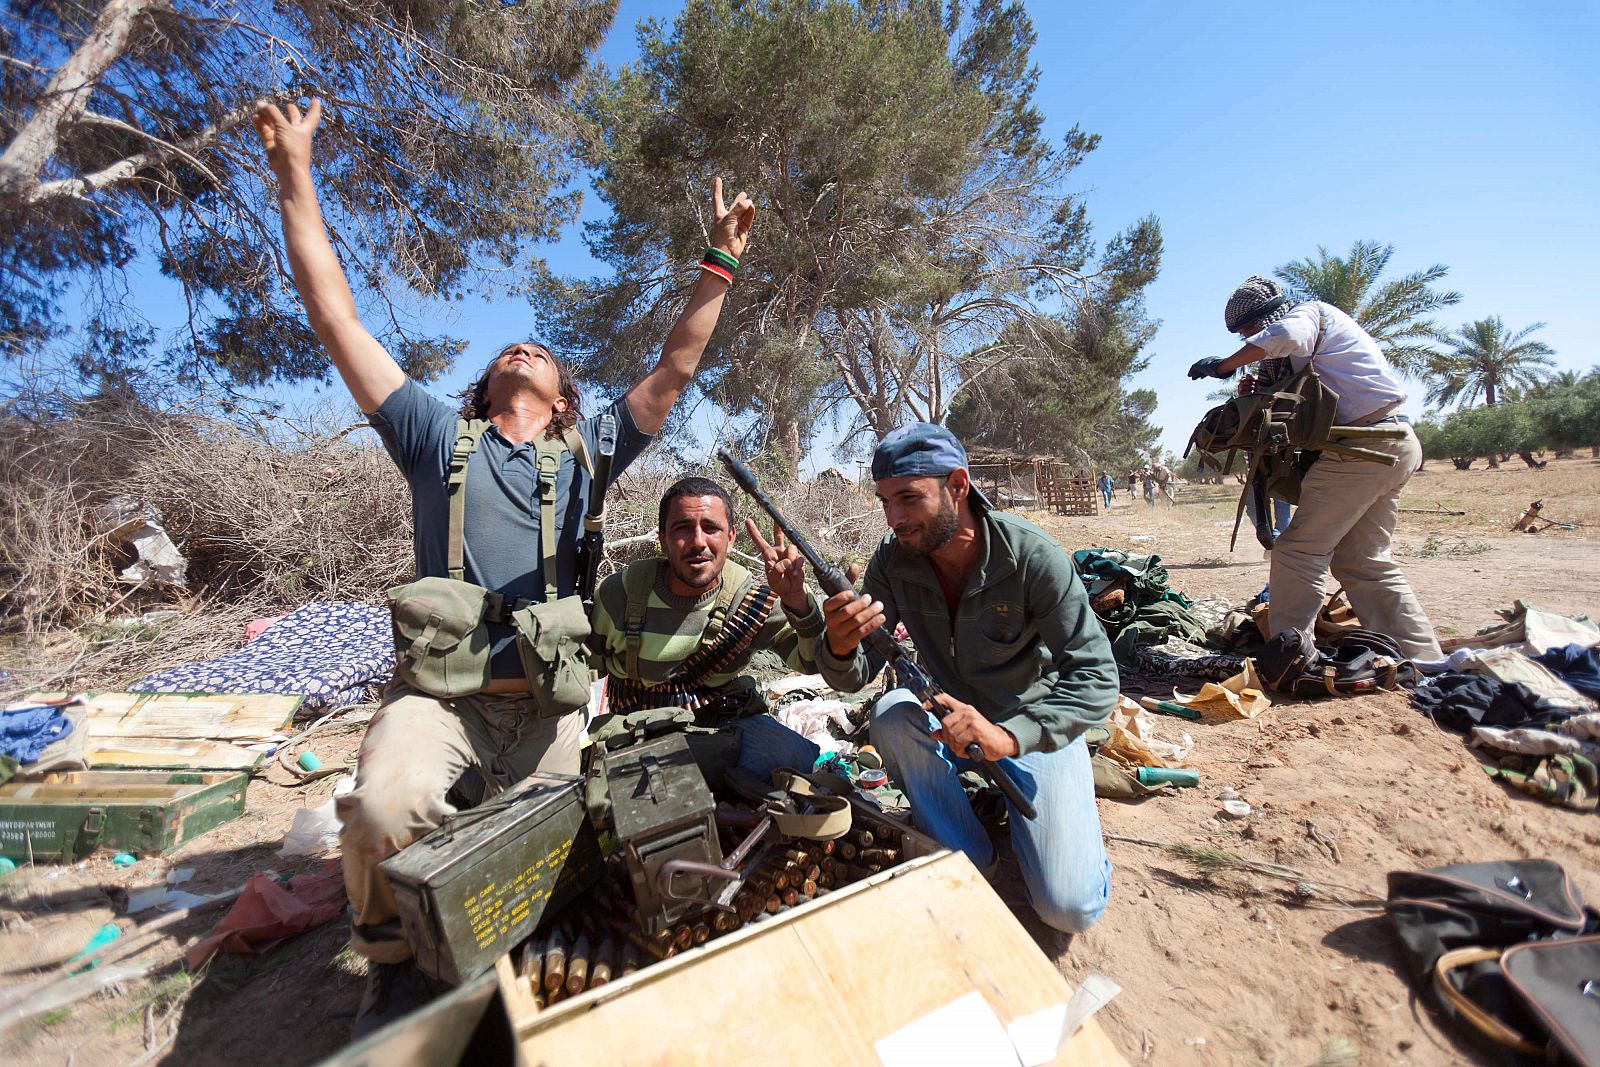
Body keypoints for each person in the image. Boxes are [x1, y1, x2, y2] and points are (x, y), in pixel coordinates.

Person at [252, 98, 756, 1032]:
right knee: (381, 813)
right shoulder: (431, 434)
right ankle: (397, 965)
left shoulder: (592, 449)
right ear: (484, 389)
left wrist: (719, 261)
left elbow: (678, 364)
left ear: (565, 396)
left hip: (552, 705)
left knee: (564, 857)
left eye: (543, 352)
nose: (523, 346)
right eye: (505, 353)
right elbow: (334, 314)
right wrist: (295, 171)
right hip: (442, 699)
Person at [817, 424, 1116, 935]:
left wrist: (1009, 736)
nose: (894, 518)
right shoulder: (893, 561)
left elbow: (1095, 676)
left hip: (1028, 730)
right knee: (890, 715)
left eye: (909, 498)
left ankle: (1066, 818)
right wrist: (841, 644)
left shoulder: (1032, 556)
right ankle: (968, 854)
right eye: (885, 501)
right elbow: (861, 670)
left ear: (957, 484)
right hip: (947, 722)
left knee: (1070, 910)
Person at [1188, 275, 1441, 660]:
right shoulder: (1303, 353)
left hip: (1363, 448)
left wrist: (1224, 366)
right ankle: (1423, 658)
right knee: (1362, 560)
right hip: (1392, 443)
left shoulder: (1309, 315)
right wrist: (1255, 395)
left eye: (1250, 328)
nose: (1248, 338)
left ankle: (1289, 655)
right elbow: (1299, 404)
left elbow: (1286, 334)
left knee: (1298, 550)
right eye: (1241, 334)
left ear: (1271, 314)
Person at [587, 477, 824, 778]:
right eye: (682, 528)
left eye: (711, 528)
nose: (698, 541)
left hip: (721, 725)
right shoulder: (618, 595)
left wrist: (799, 603)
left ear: (731, 537)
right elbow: (580, 674)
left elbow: (814, 661)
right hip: (639, 733)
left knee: (795, 759)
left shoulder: (749, 600)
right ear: (663, 538)